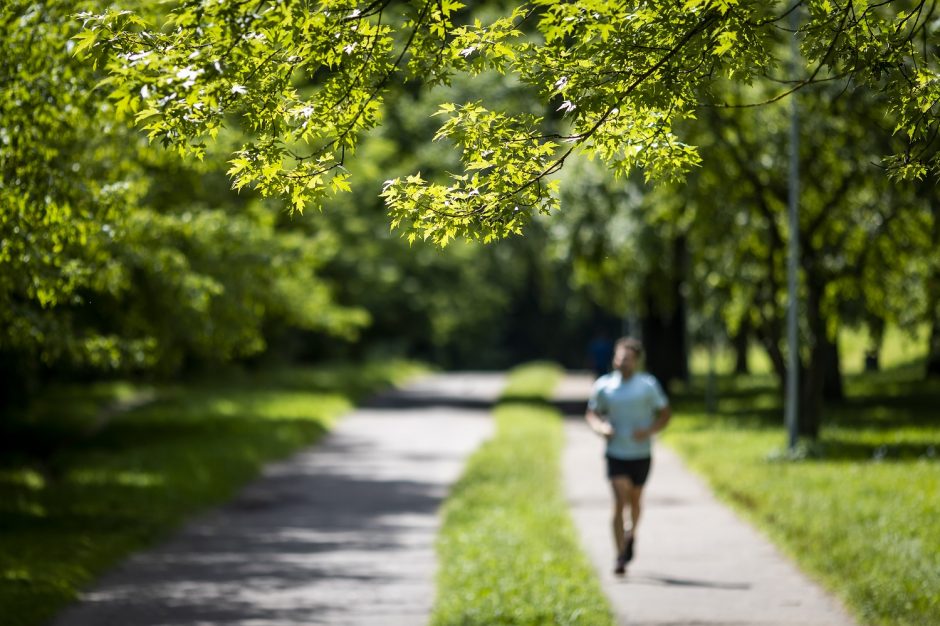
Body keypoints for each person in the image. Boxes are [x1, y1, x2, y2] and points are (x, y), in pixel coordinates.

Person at [584, 337, 671, 575]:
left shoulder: (648, 386)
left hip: (641, 454)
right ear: (614, 358)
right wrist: (600, 428)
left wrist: (649, 431)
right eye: (620, 358)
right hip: (615, 453)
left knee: (635, 501)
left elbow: (665, 414)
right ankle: (620, 555)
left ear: (636, 361)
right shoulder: (604, 386)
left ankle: (632, 533)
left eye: (628, 359)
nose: (623, 362)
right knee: (619, 501)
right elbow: (591, 413)